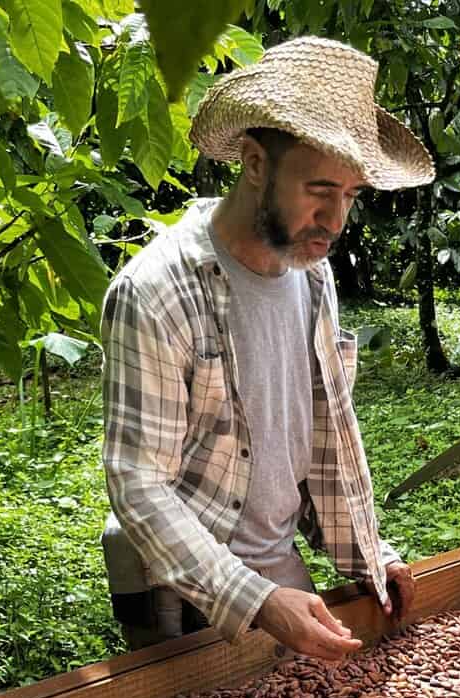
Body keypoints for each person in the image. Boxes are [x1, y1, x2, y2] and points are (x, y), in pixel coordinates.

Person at [100, 37, 433, 661]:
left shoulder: (312, 273)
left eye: (350, 194)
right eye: (318, 189)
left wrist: (369, 554)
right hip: (180, 581)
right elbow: (137, 482)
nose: (334, 219)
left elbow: (322, 432)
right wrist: (254, 599)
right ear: (255, 163)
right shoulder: (156, 292)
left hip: (275, 562)